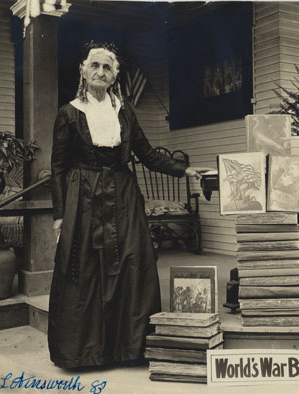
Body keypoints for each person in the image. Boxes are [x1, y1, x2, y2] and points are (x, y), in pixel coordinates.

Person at [49, 41, 209, 369]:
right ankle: (85, 353)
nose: (100, 72)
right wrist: (58, 216)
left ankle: (129, 349)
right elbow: (58, 169)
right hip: (84, 200)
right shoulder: (68, 114)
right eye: (95, 65)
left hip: (123, 196)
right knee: (85, 268)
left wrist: (185, 169)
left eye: (107, 67)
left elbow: (147, 155)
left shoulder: (124, 111)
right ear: (83, 69)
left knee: (133, 262)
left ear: (114, 75)